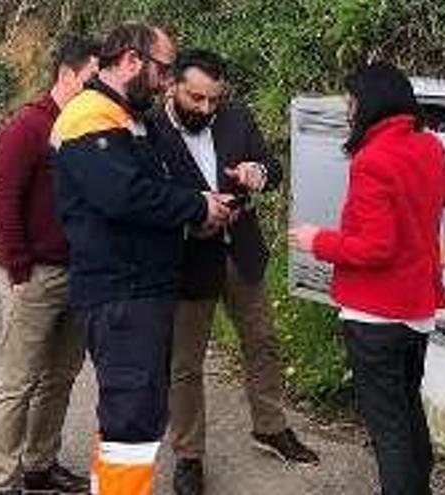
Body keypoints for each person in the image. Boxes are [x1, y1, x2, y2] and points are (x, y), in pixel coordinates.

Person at [50, 24, 234, 495]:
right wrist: (196, 207)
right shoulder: (89, 115)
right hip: (122, 295)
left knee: (130, 418)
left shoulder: (127, 116)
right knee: (131, 423)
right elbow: (124, 195)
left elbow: (157, 184)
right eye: (163, 70)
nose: (165, 82)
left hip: (141, 292)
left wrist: (197, 208)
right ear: (132, 61)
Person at [146, 48, 319, 495]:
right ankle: (188, 455)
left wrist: (258, 173)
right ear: (172, 86)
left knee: (262, 341)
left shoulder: (236, 117)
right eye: (196, 99)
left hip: (241, 250)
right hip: (186, 259)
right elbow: (143, 199)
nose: (206, 109)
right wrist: (192, 216)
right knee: (185, 363)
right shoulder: (148, 128)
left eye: (214, 101)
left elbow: (273, 169)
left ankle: (270, 426)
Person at [289, 62, 445, 495]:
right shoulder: (431, 147)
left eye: (352, 104)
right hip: (417, 311)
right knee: (407, 411)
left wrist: (317, 240)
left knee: (389, 430)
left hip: (375, 316)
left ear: (371, 104)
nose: (348, 113)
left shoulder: (372, 160)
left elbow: (374, 247)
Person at [0, 35, 99, 495]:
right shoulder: (28, 127)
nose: (96, 91)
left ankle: (40, 464)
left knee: (60, 375)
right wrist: (17, 267)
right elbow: (2, 201)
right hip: (34, 274)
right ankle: (3, 477)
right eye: (90, 80)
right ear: (66, 74)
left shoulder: (88, 127)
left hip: (78, 273)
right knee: (19, 381)